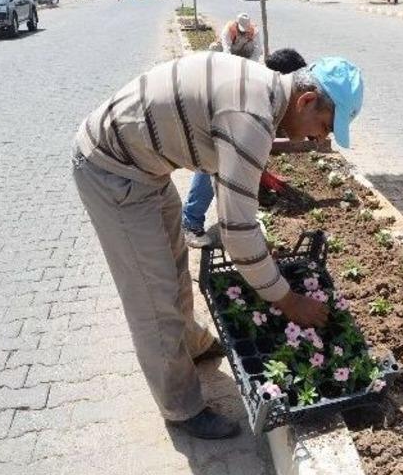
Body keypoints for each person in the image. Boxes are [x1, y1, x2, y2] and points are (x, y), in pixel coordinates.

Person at [72, 53, 363, 439]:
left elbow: (234, 194)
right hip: (113, 171)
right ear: (306, 101)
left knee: (174, 264)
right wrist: (289, 301)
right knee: (152, 294)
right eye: (325, 125)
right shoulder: (253, 116)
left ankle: (190, 342)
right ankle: (182, 409)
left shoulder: (262, 91)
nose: (321, 138)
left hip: (145, 167)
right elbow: (237, 232)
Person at [183, 48, 308, 248]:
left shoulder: (268, 89)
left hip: (212, 113)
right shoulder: (253, 95)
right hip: (201, 118)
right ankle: (191, 223)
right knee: (210, 165)